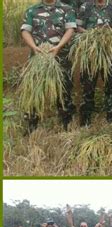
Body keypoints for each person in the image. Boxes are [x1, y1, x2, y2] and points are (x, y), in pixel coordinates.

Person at [20, 0, 76, 132]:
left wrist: (58, 47)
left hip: (61, 58)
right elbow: (25, 31)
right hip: (38, 58)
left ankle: (66, 124)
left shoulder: (66, 9)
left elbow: (70, 30)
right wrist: (34, 48)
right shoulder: (32, 10)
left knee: (64, 90)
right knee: (34, 90)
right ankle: (31, 126)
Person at [76, 0, 112, 125]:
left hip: (108, 53)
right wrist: (90, 34)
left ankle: (111, 117)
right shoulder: (85, 7)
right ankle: (86, 120)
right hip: (90, 54)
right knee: (88, 86)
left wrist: (108, 33)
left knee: (111, 84)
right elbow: (78, 26)